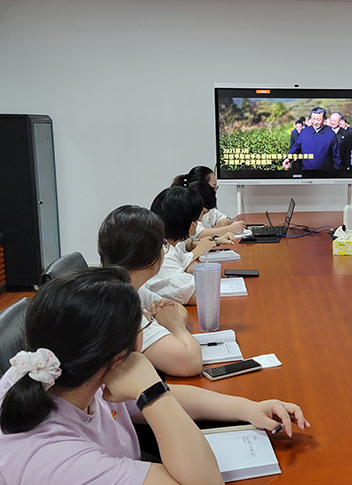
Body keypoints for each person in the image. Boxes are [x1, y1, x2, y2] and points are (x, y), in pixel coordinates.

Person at [0, 267, 310, 485]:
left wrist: (246, 408)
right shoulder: (57, 461)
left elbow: (152, 401)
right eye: (144, 324)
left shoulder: (60, 367)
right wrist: (151, 389)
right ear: (118, 358)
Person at [98, 205, 203, 377]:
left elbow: (178, 310)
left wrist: (168, 318)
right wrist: (174, 325)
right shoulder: (121, 308)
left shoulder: (130, 288)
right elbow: (191, 362)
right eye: (162, 244)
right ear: (151, 260)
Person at [146, 186, 233, 305]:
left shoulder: (166, 245)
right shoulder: (162, 255)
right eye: (198, 218)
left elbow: (184, 261)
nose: (199, 221)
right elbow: (201, 295)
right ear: (191, 225)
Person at [173, 166, 246, 236]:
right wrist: (229, 229)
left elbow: (222, 218)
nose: (200, 219)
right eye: (213, 187)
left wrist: (217, 230)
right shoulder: (185, 207)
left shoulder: (206, 205)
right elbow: (196, 234)